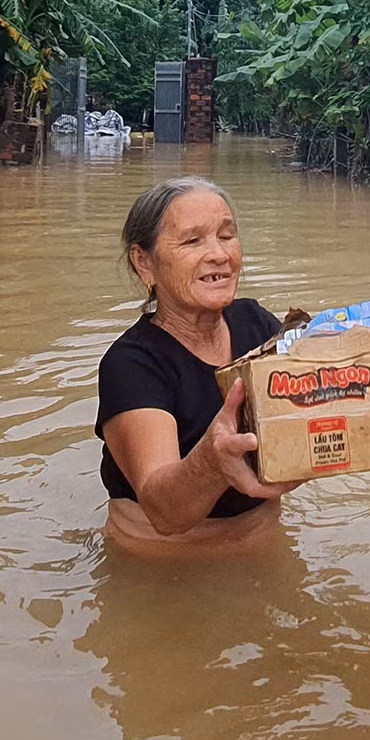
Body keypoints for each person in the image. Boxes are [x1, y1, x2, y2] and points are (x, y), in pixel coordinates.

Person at [97, 177, 295, 550]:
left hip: (264, 549)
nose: (219, 254)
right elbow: (164, 512)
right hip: (162, 572)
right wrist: (211, 460)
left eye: (226, 235)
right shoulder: (132, 365)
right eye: (192, 241)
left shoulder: (256, 324)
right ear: (144, 264)